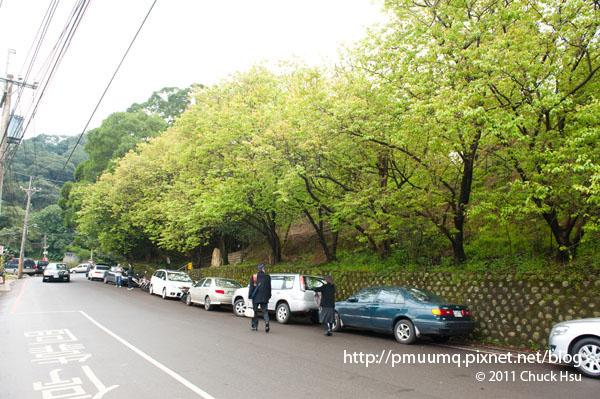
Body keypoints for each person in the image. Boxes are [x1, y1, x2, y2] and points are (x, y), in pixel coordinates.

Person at [249, 264, 271, 332]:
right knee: (265, 311)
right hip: (264, 297)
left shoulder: (254, 277)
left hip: (256, 297)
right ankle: (267, 323)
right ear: (263, 269)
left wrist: (250, 296)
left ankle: (254, 326)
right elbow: (269, 288)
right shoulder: (267, 277)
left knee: (255, 311)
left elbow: (251, 287)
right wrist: (269, 296)